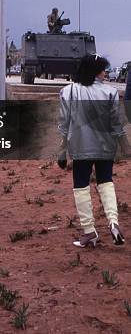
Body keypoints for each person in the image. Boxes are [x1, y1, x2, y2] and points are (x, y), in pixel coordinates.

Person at [58, 54, 131, 248]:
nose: (105, 72)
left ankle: (90, 232)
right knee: (106, 182)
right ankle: (113, 222)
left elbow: (64, 125)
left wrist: (61, 152)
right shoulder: (110, 92)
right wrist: (125, 146)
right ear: (94, 71)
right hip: (106, 147)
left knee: (81, 187)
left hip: (80, 147)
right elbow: (117, 124)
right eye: (102, 69)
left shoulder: (68, 92)